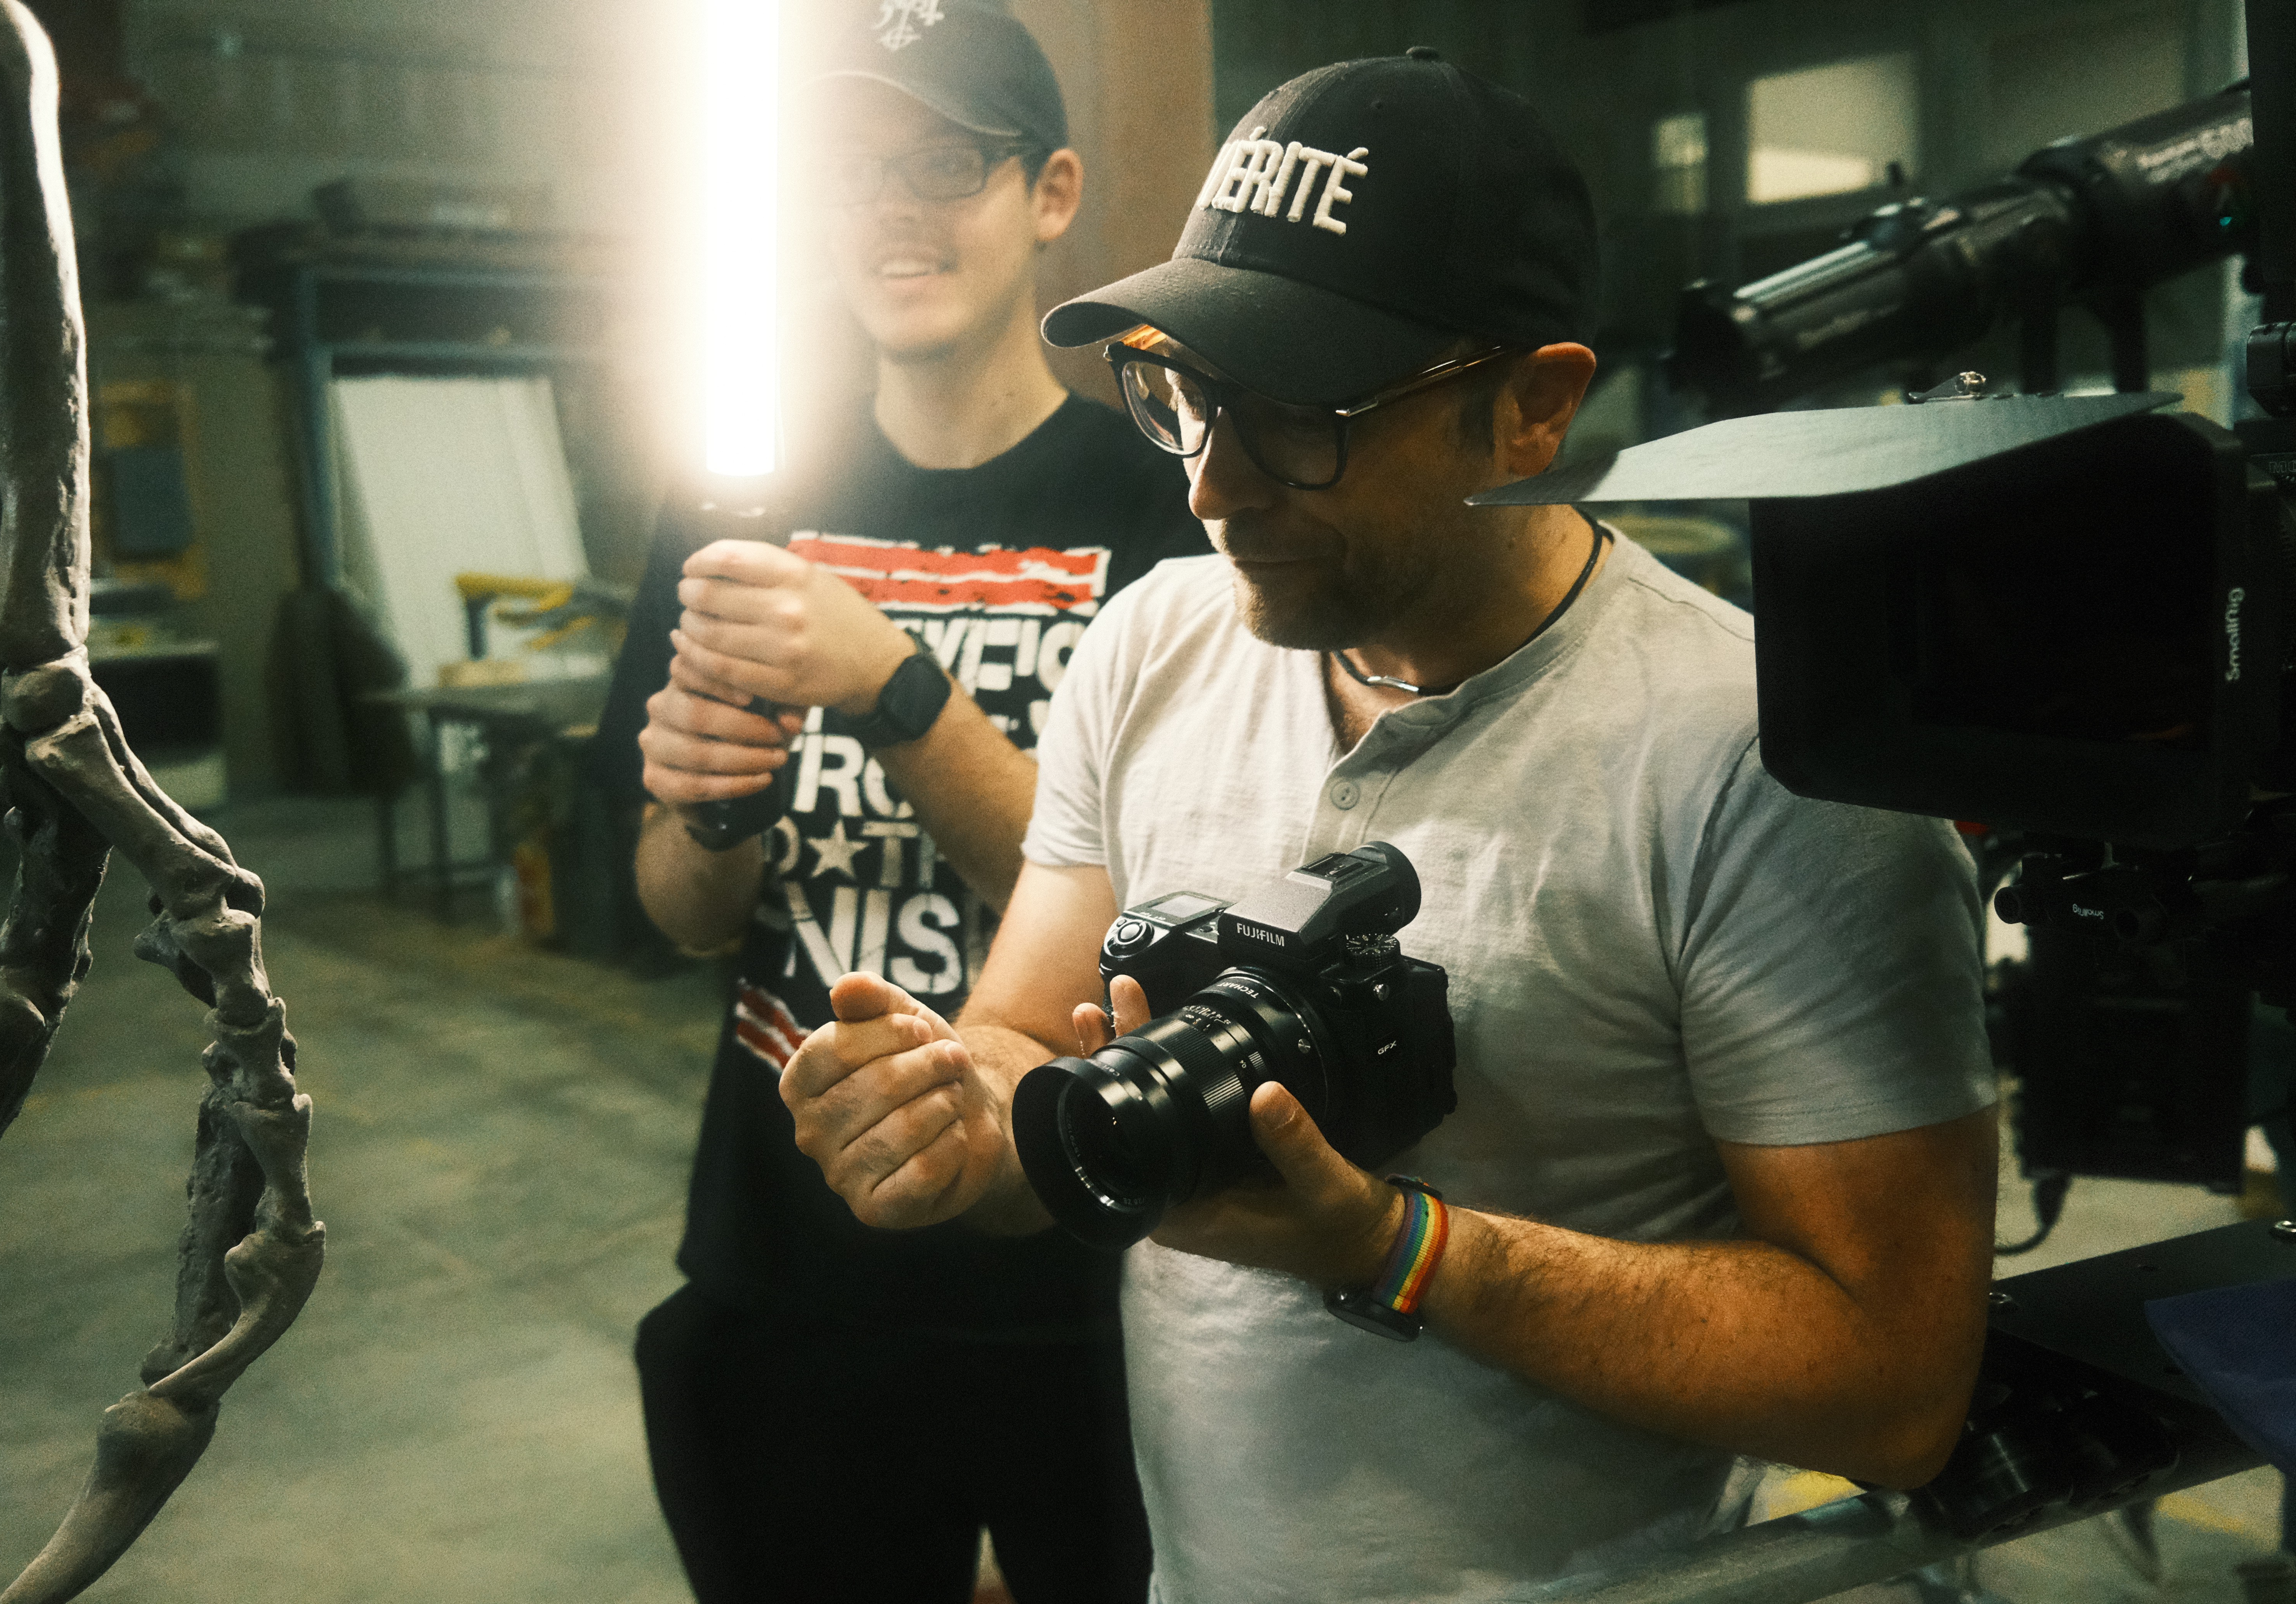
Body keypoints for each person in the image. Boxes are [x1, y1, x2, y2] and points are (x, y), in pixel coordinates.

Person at [777, 48, 2001, 1602]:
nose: (1214, 485)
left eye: (1302, 416)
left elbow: (1892, 1382)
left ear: (1533, 406)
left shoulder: (1759, 762)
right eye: (1187, 393)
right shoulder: (1153, 645)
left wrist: (1398, 1250)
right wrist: (959, 1116)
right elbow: (1025, 1041)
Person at [586, 5, 1206, 1601]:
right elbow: (681, 915)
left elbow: (1157, 917)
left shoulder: (1165, 510)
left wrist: (895, 687)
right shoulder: (738, 500)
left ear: (1050, 194)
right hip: (794, 1265)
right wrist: (707, 812)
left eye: (942, 163)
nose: (889, 211)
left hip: (1092, 1259)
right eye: (848, 170)